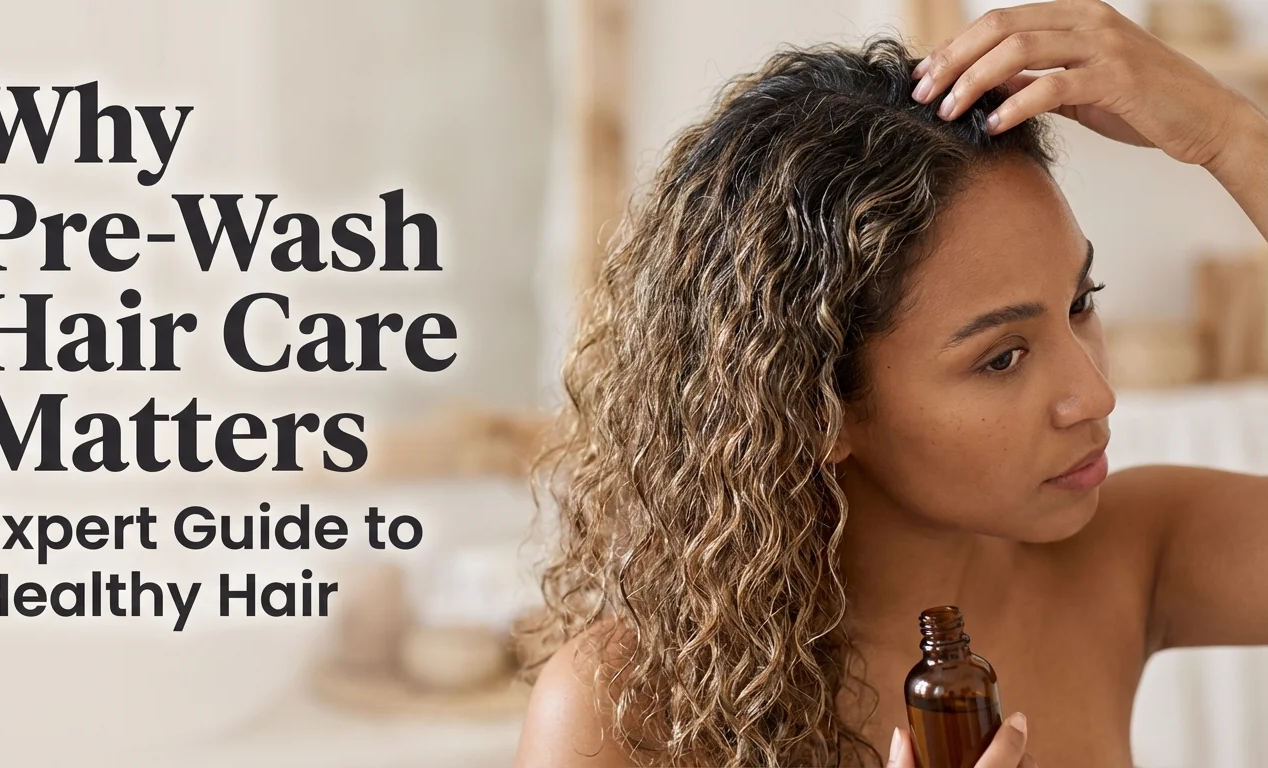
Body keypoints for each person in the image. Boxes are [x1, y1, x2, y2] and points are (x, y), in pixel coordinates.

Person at [512, 1, 1268, 766]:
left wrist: (1230, 134)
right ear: (817, 410)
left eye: (1080, 305)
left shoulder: (1129, 557)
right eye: (1001, 357)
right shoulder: (623, 707)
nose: (1097, 396)